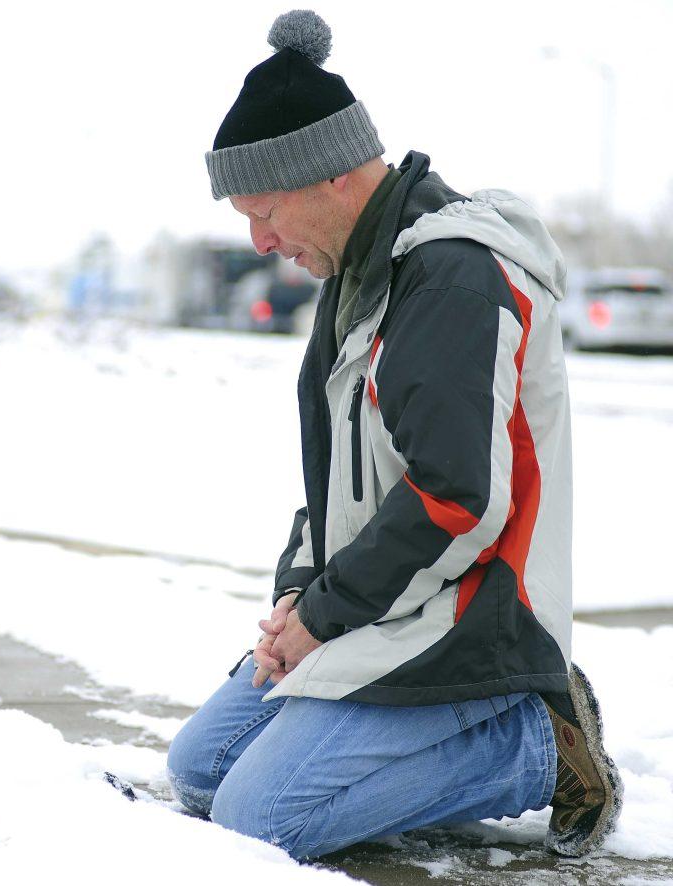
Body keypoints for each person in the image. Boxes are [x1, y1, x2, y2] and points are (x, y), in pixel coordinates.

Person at [166, 9, 622, 861]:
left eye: (263, 211)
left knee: (257, 820)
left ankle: (530, 739)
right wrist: (298, 599)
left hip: (472, 619)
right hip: (387, 604)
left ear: (332, 176)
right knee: (199, 771)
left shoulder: (450, 277)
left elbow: (457, 499)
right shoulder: (355, 282)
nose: (260, 242)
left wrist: (328, 619)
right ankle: (428, 738)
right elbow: (331, 479)